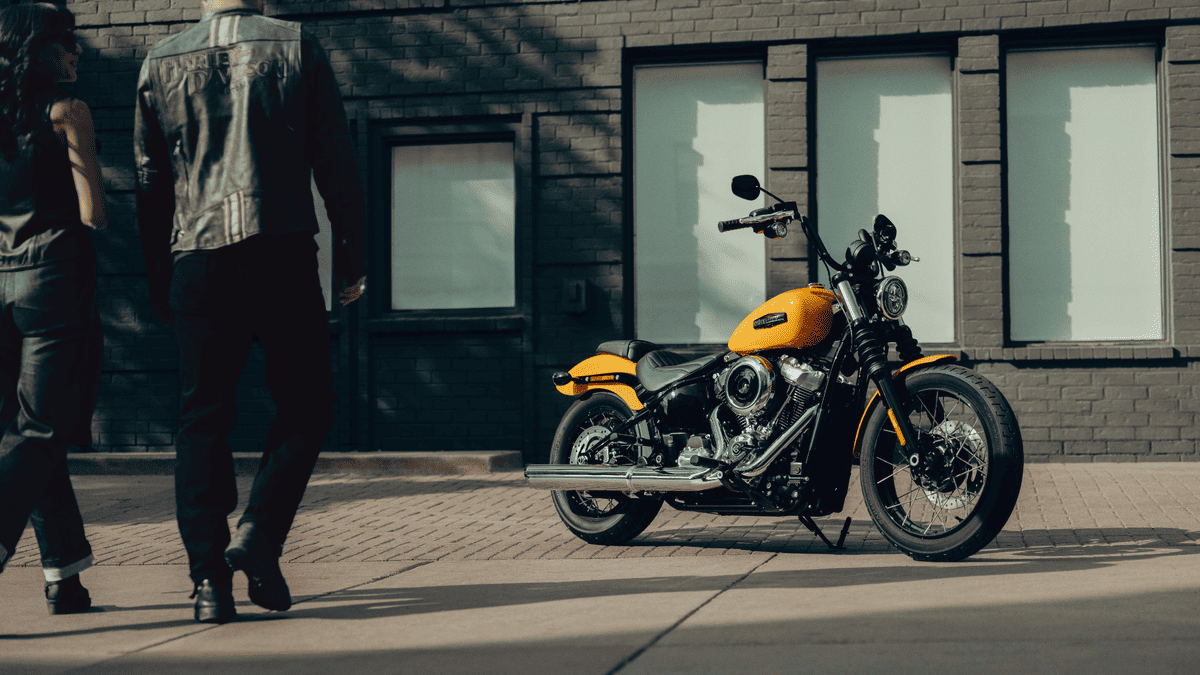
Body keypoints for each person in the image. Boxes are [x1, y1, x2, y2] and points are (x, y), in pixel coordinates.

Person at [134, 0, 367, 624]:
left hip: (197, 257)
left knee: (201, 419)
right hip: (282, 247)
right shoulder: (296, 47)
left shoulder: (159, 62)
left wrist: (160, 272)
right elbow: (335, 159)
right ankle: (260, 532)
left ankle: (209, 581)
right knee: (309, 401)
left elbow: (151, 179)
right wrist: (351, 251)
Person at [0, 3, 107, 615]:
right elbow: (93, 213)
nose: (78, 51)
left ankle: (64, 576)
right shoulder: (69, 112)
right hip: (53, 281)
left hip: (1, 280)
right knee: (40, 433)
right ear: (38, 48)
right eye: (68, 42)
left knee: (22, 438)